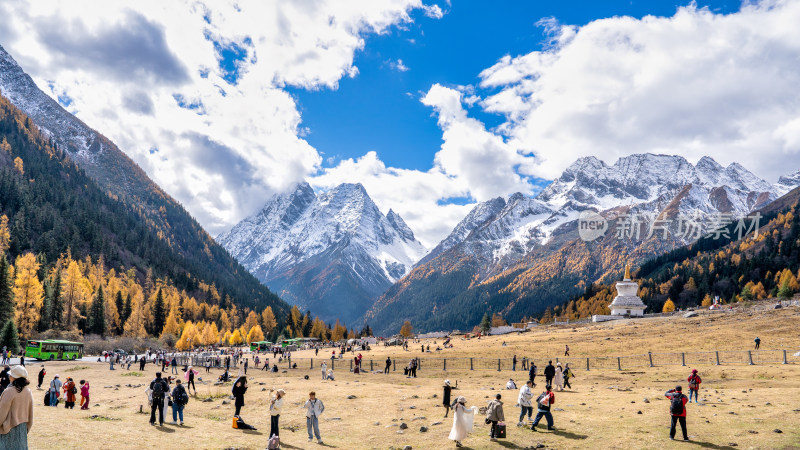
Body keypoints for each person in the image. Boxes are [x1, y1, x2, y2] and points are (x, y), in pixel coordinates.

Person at [0, 365, 34, 449]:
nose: (9, 376)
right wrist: (27, 428)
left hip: (8, 429)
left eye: (11, 375)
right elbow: (30, 413)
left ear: (15, 377)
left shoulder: (9, 391)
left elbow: (2, 412)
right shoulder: (28, 391)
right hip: (22, 428)